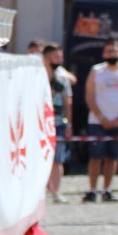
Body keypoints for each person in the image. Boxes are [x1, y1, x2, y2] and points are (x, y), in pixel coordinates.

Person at [82, 37, 118, 202]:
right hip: (97, 121)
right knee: (95, 156)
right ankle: (92, 190)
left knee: (113, 157)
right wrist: (100, 117)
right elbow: (89, 96)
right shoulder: (96, 70)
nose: (111, 54)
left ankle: (107, 189)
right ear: (103, 53)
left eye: (114, 51)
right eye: (108, 51)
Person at [44, 44, 74, 203]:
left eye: (60, 57)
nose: (59, 60)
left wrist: (69, 124)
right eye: (56, 57)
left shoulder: (62, 77)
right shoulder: (38, 75)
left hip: (58, 122)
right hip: (40, 123)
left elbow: (67, 101)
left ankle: (56, 191)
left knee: (58, 159)